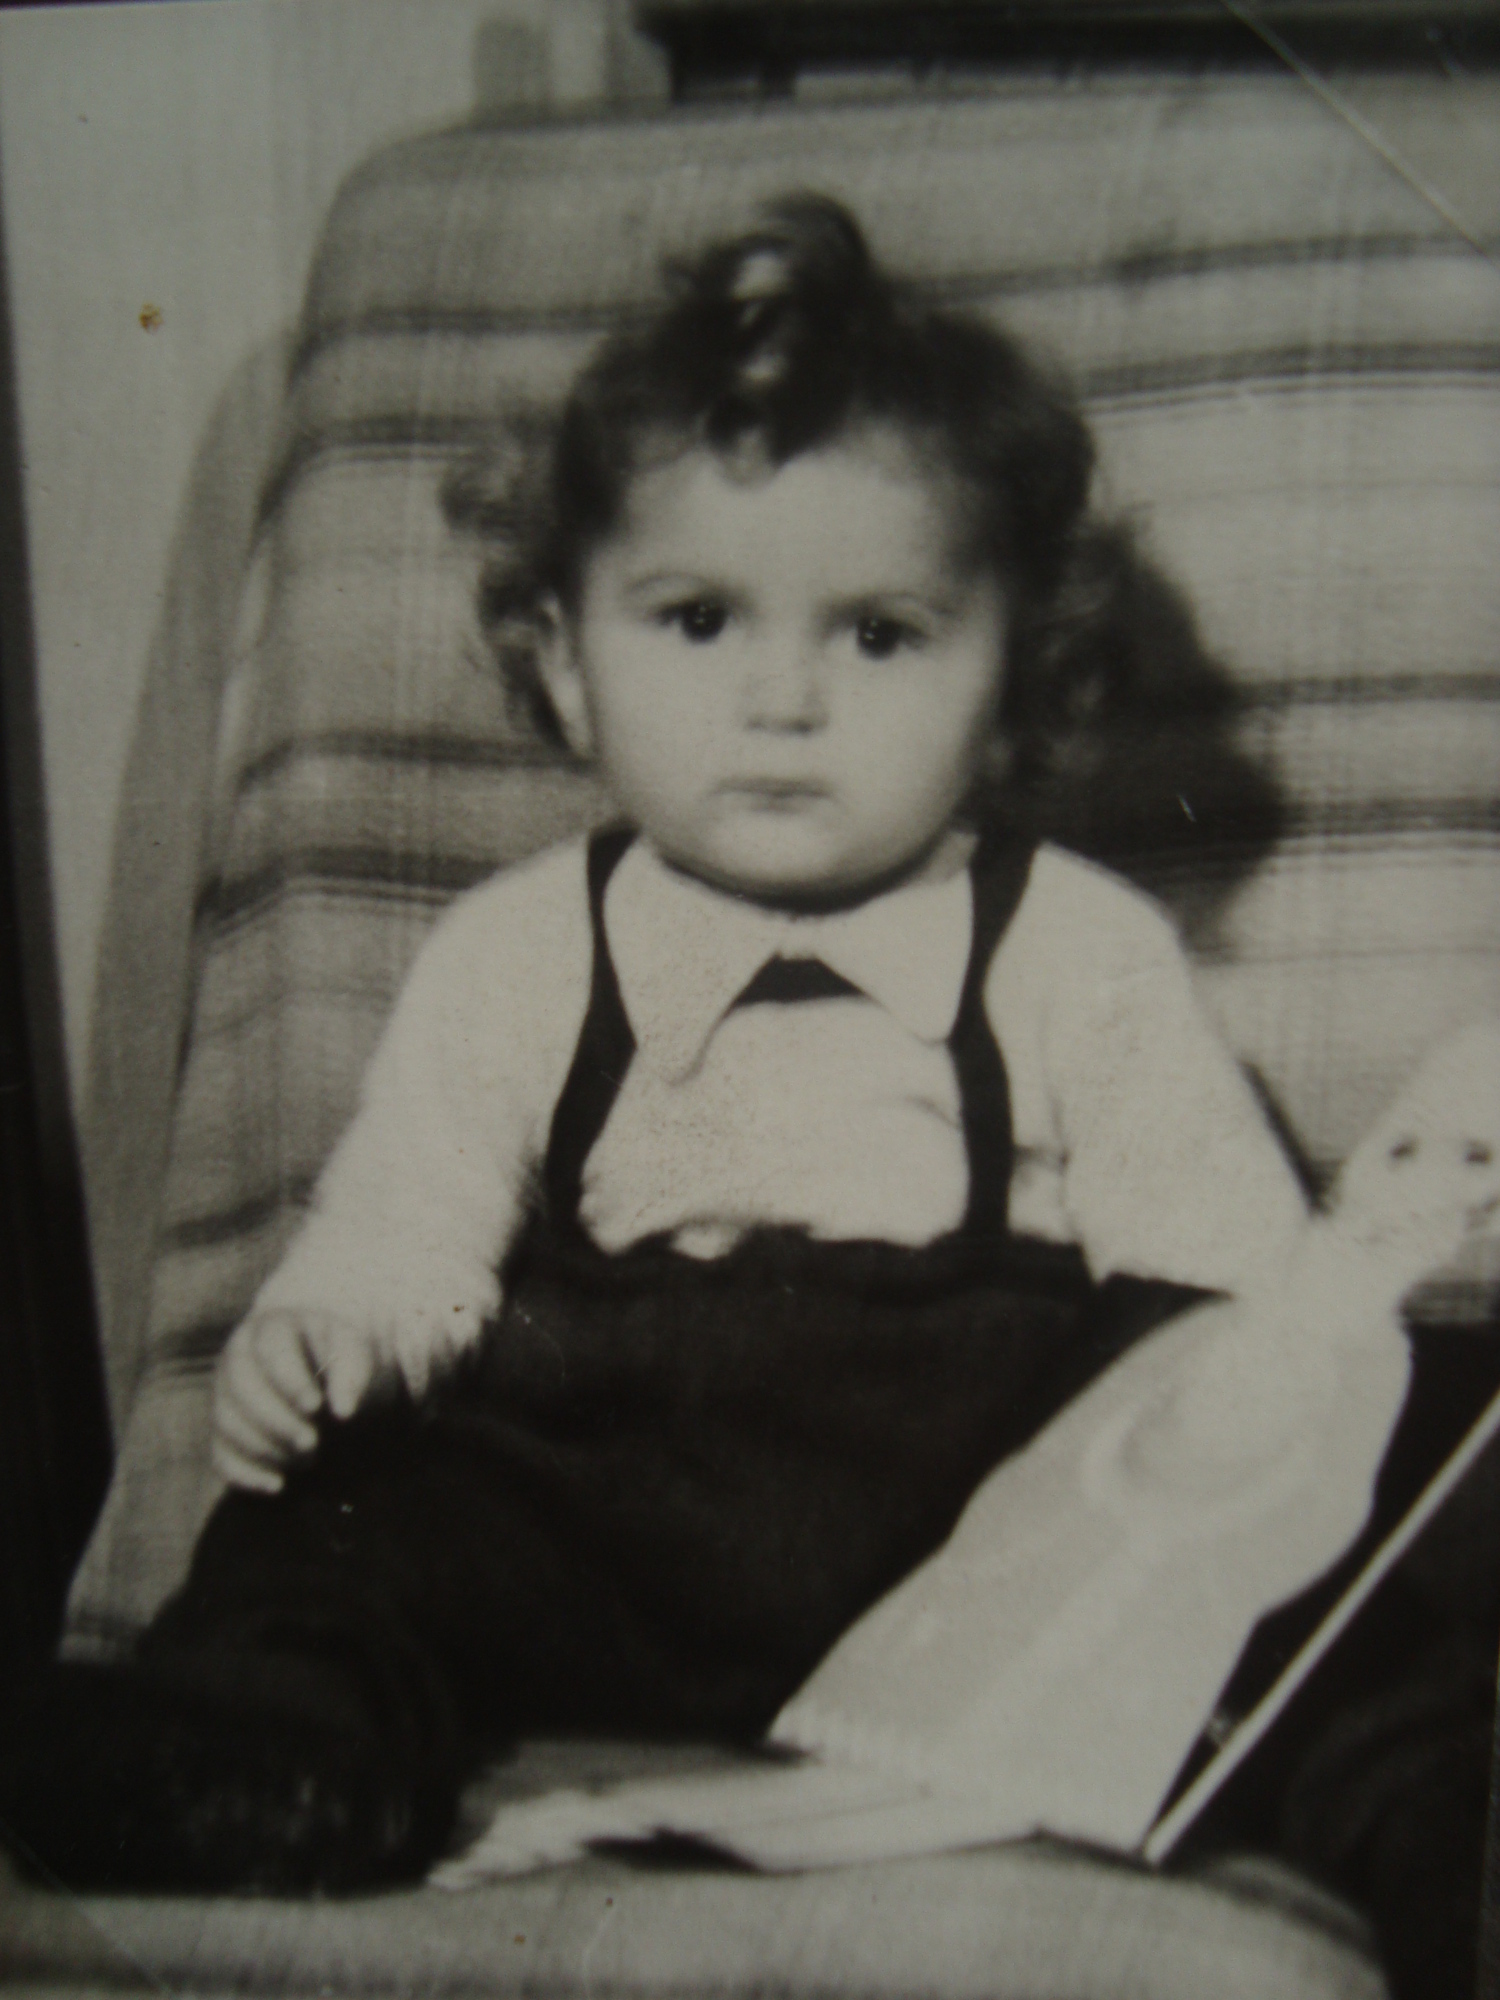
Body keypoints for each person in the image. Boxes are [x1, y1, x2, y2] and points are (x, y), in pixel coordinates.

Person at [3, 195, 1313, 1897]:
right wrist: (334, 1340)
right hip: (600, 1520)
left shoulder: (1079, 946)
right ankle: (273, 1760)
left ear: (1013, 692)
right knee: (337, 1514)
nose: (783, 702)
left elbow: (1225, 1280)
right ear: (565, 666)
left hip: (959, 1540)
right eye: (698, 620)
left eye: (879, 634)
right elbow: (411, 1222)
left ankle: (1421, 1825)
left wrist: (1245, 1429)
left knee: (1296, 1539)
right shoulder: (521, 948)